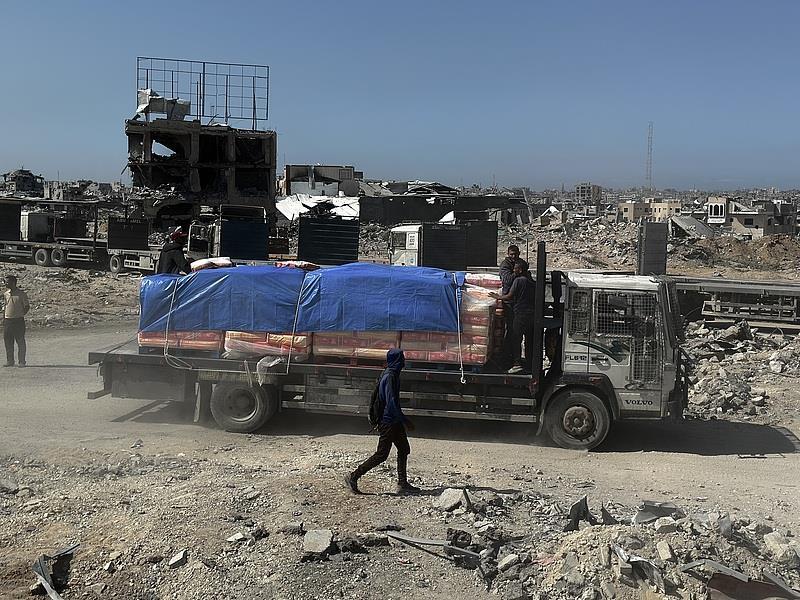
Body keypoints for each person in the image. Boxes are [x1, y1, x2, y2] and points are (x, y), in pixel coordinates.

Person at [345, 348, 421, 495]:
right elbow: (391, 402)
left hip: (394, 420)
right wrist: (405, 420)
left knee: (404, 449)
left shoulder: (391, 374)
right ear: (396, 361)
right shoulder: (390, 376)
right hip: (388, 421)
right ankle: (353, 476)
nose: (403, 362)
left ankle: (403, 483)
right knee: (382, 454)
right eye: (401, 359)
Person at [490, 259, 535, 374]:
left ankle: (517, 363)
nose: (513, 271)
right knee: (529, 340)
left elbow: (509, 295)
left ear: (520, 270)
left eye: (515, 269)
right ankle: (530, 363)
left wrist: (498, 297)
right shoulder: (530, 281)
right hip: (530, 314)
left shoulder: (519, 280)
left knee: (516, 338)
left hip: (520, 313)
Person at [498, 245, 520, 366]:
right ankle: (506, 357)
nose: (514, 256)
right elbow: (506, 280)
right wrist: (516, 273)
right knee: (510, 330)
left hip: (518, 302)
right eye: (511, 254)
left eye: (515, 254)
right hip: (509, 302)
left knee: (517, 332)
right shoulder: (505, 265)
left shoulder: (520, 263)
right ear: (508, 254)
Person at [3, 275, 30, 367]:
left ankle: (22, 361)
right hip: (8, 321)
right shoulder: (6, 294)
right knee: (8, 342)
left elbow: (27, 306)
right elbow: (5, 307)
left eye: (7, 282)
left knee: (20, 341)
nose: (5, 283)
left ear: (13, 283)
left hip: (18, 321)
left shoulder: (21, 294)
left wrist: (20, 314)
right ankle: (10, 361)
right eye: (5, 282)